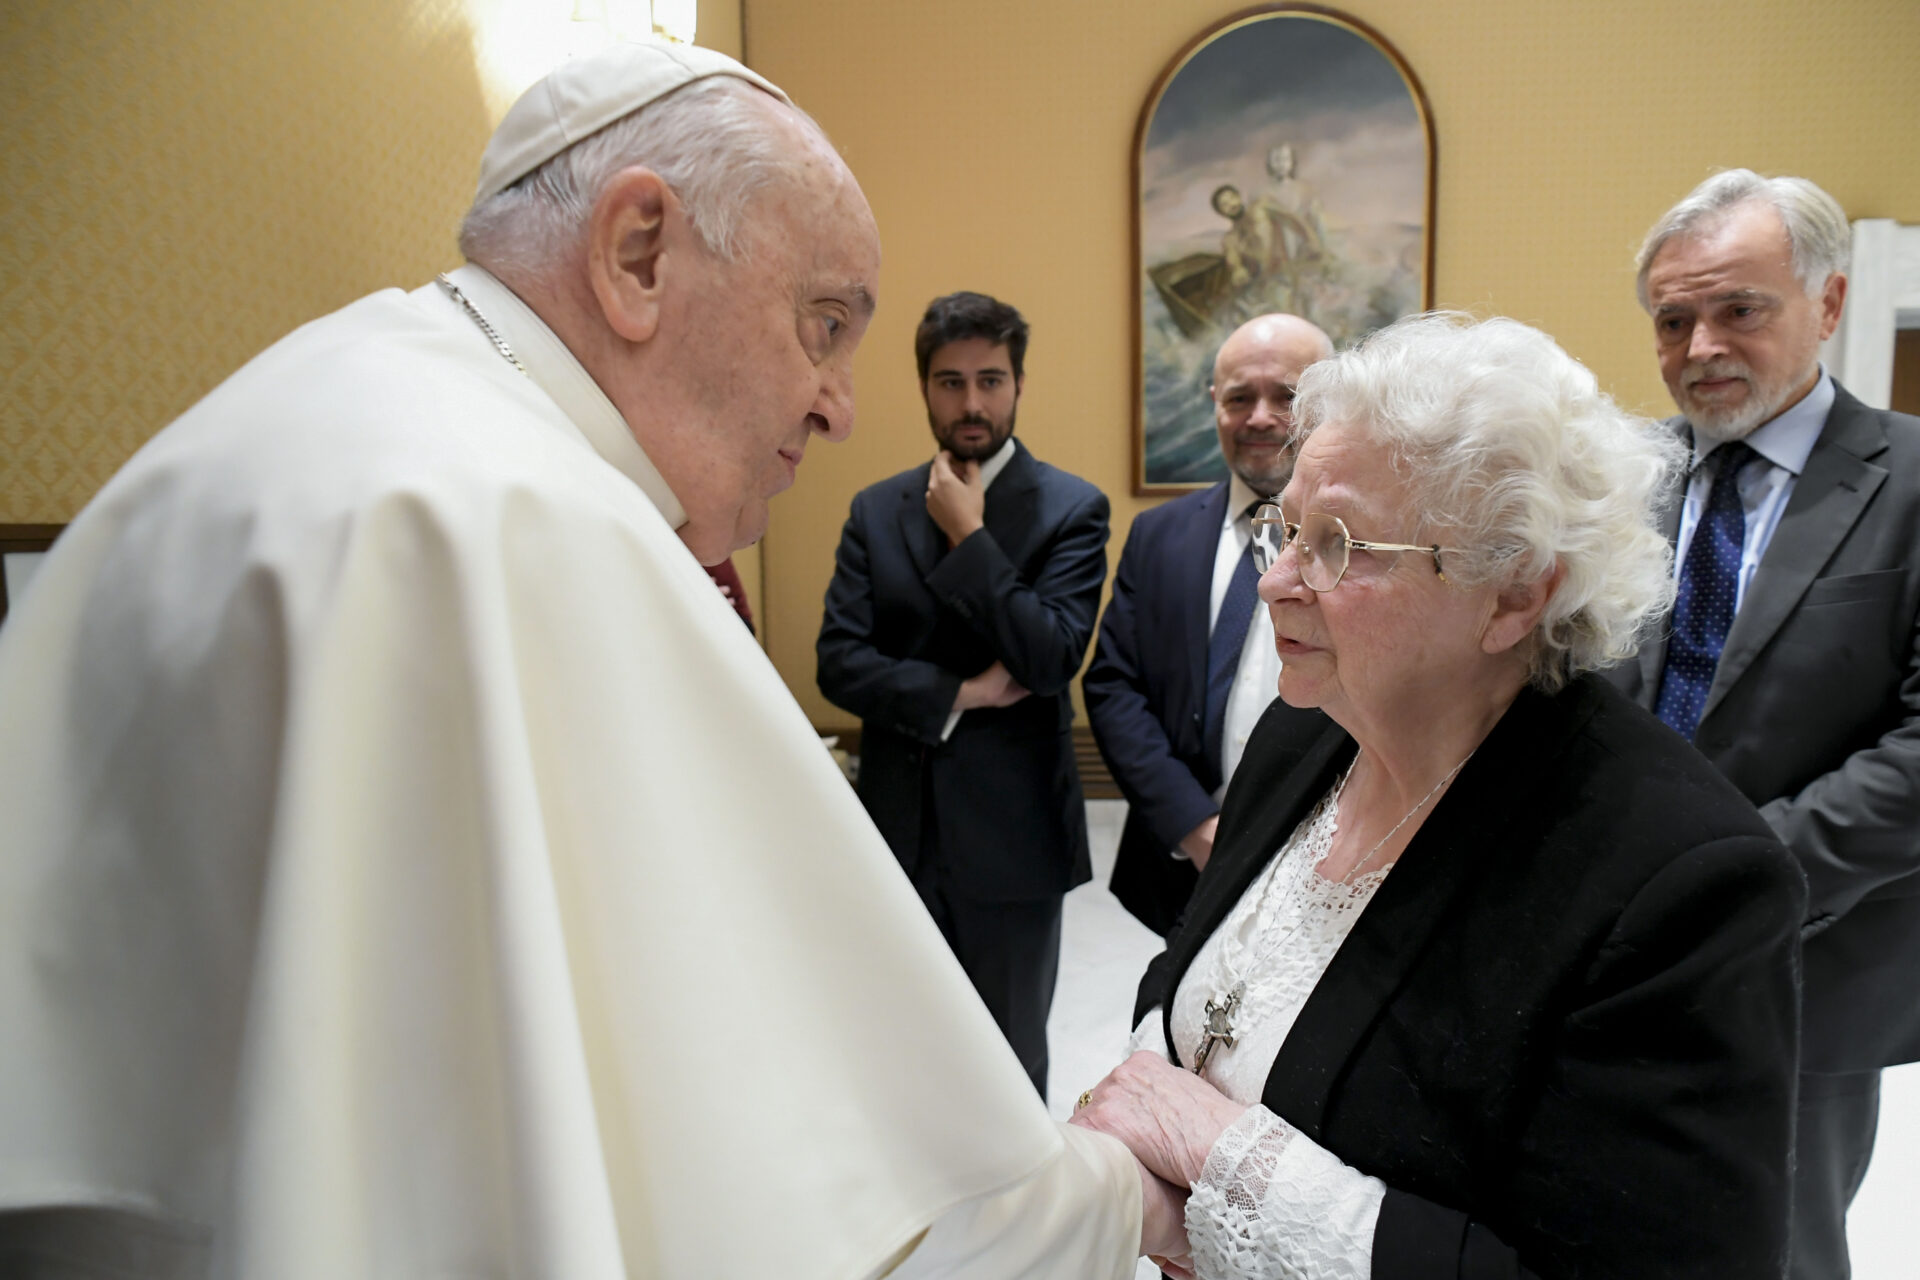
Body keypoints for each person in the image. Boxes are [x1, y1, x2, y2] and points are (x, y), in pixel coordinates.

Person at [0, 44, 1175, 1279]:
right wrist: (1110, 1198)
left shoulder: (334, 397)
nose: (836, 402)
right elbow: (753, 1188)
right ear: (637, 254)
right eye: (822, 323)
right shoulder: (511, 516)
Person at [1072, 313, 1804, 1278]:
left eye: (1338, 544)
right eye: (1285, 529)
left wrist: (1215, 1173)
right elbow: (1201, 976)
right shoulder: (1309, 729)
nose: (1279, 583)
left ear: (1513, 593)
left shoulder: (1679, 886)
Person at [1608, 169, 1920, 1280]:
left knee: (1777, 1248)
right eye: (1673, 318)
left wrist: (1741, 876)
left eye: (1740, 308)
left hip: (1807, 960)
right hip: (1608, 949)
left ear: (1829, 304)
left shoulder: (1912, 480)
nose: (1700, 346)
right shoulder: (1620, 478)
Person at [816, 291, 1110, 1098]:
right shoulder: (875, 511)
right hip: (897, 829)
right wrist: (964, 692)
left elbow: (1051, 657)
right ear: (923, 388)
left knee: (1009, 1061)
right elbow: (838, 663)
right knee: (903, 1046)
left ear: (1018, 385)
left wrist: (971, 538)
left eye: (990, 379)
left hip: (1014, 839)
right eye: (951, 382)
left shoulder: (1072, 508)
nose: (972, 402)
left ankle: (1018, 1222)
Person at [1087, 314, 1332, 935]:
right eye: (1239, 397)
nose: (1260, 416)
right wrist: (1196, 829)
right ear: (1214, 405)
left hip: (1325, 870)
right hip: (1182, 868)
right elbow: (1114, 687)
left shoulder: (1373, 545)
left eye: (1287, 397)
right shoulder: (1158, 535)